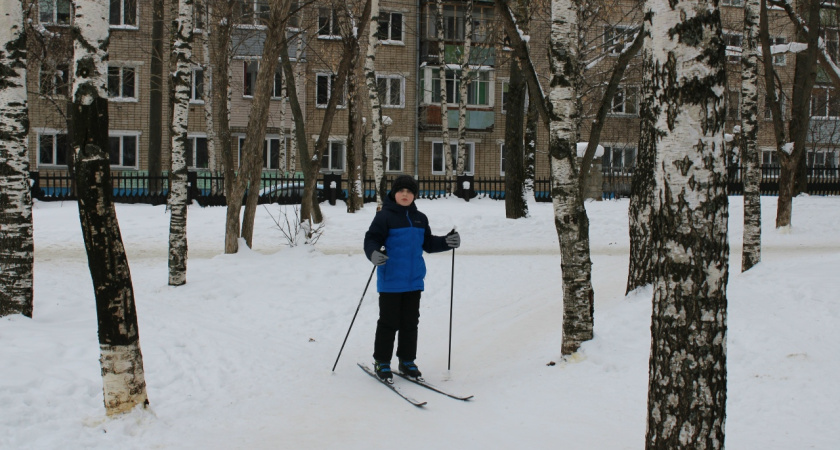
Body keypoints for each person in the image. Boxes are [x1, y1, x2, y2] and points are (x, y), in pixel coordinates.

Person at [363, 175, 460, 383]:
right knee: (388, 323)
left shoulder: (420, 218)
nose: (405, 195)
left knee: (410, 323)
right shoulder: (384, 217)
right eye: (401, 191)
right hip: (390, 281)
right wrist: (373, 253)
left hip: (414, 280)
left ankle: (406, 360)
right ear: (394, 194)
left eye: (409, 191)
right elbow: (371, 238)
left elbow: (428, 244)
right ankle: (382, 361)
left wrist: (447, 241)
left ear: (414, 195)